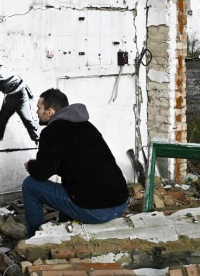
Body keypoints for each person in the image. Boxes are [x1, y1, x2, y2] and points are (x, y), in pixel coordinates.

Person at [22, 88, 128, 236]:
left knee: (30, 185)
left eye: (39, 108)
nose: (37, 112)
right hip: (120, 203)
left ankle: (35, 237)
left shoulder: (52, 132)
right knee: (72, 187)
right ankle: (65, 227)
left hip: (96, 211)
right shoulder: (87, 126)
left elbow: (42, 173)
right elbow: (74, 164)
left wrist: (31, 165)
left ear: (50, 111)